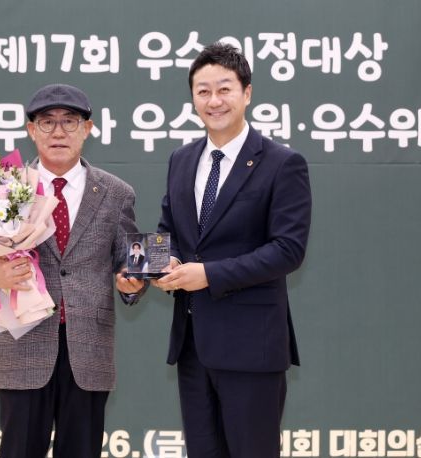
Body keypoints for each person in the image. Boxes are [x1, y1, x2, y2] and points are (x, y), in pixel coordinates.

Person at [0, 83, 146, 458]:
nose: (58, 131)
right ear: (31, 130)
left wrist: (133, 283)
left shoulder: (116, 193)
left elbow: (129, 259)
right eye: (47, 122)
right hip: (23, 344)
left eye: (69, 121)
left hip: (88, 350)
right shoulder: (0, 189)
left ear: (87, 129)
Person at [153, 43, 312, 458]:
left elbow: (288, 249)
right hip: (192, 346)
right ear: (193, 98)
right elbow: (169, 230)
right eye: (203, 91)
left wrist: (208, 274)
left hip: (251, 348)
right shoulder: (181, 159)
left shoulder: (282, 163)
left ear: (247, 93)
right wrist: (158, 264)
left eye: (224, 89)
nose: (214, 101)